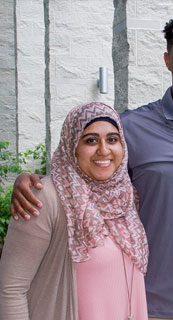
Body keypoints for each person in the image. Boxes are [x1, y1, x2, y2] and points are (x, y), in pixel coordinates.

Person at [10, 12, 173, 319]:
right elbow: (85, 174)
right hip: (157, 304)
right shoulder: (131, 127)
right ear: (168, 60)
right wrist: (30, 181)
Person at [0, 102, 149, 320]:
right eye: (90, 140)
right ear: (72, 146)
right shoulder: (45, 198)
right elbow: (11, 290)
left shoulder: (126, 197)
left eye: (112, 139)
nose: (104, 150)